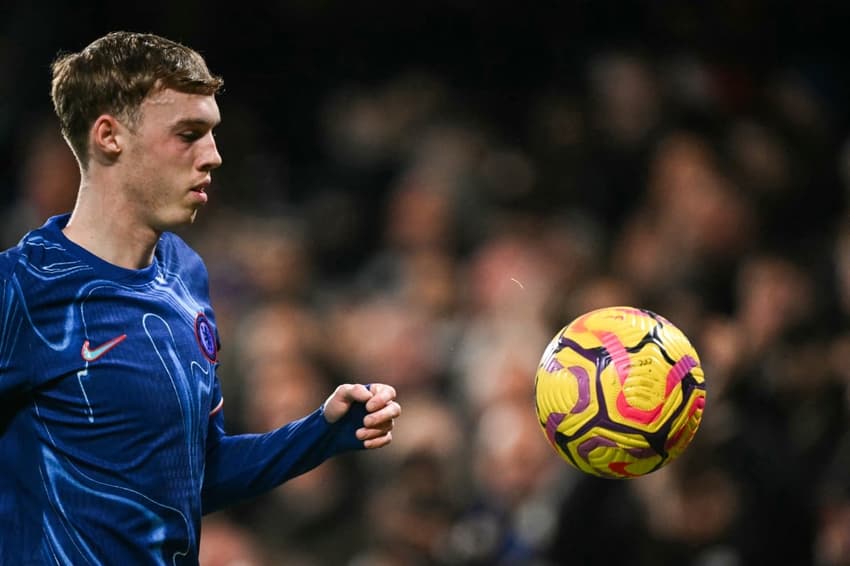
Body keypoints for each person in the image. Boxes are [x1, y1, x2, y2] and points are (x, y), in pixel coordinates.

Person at [0, 31, 401, 565]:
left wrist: (321, 433)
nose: (213, 156)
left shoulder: (186, 276)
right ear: (108, 136)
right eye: (189, 134)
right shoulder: (21, 291)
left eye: (211, 133)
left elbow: (198, 474)